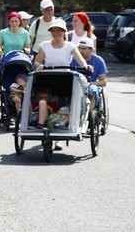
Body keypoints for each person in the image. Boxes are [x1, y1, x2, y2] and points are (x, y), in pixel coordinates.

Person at [34, 18, 93, 150]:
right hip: (49, 77)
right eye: (53, 31)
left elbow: (80, 60)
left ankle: (59, 139)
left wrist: (86, 66)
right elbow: (36, 62)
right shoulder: (44, 45)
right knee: (47, 101)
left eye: (59, 31)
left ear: (64, 32)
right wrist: (40, 66)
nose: (56, 33)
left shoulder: (70, 46)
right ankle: (42, 123)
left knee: (66, 104)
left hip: (66, 79)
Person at [70, 37, 108, 109]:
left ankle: (90, 113)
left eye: (83, 49)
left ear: (91, 49)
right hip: (75, 83)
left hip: (90, 84)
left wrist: (90, 84)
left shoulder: (98, 61)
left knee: (93, 90)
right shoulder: (72, 59)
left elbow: (103, 82)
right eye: (79, 48)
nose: (80, 51)